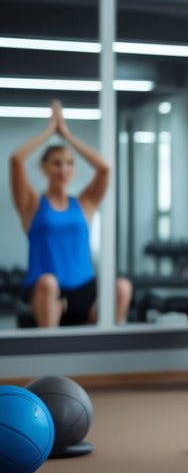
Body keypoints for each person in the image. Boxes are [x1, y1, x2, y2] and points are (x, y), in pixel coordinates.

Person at [8, 100, 132, 327]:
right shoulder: (32, 204)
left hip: (84, 288)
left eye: (69, 163)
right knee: (48, 282)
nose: (64, 169)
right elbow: (16, 160)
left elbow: (104, 169)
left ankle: (106, 354)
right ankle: (49, 352)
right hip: (46, 291)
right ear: (44, 167)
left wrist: (66, 134)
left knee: (122, 287)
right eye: (57, 163)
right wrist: (49, 131)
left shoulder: (85, 203)